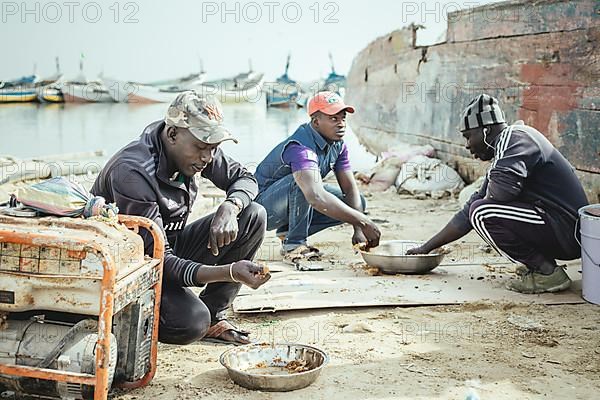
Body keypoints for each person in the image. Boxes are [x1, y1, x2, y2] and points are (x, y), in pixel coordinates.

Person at [92, 91, 270, 345]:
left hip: (167, 247)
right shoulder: (132, 172)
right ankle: (174, 319)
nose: (207, 157)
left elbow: (246, 179)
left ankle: (215, 314)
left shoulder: (197, 151)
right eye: (201, 147)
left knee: (253, 215)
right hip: (130, 268)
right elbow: (158, 260)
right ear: (173, 134)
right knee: (191, 321)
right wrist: (230, 271)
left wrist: (230, 206)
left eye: (213, 148)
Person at [408, 94, 588, 294]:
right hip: (561, 230)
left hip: (567, 231)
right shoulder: (505, 150)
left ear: (486, 130)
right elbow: (466, 214)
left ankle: (547, 273)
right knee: (477, 210)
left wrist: (482, 202)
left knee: (482, 213)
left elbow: (498, 197)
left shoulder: (514, 137)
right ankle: (541, 266)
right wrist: (426, 248)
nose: (467, 145)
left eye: (469, 136)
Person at [254, 91, 381, 264]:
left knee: (358, 202)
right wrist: (364, 221)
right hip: (262, 210)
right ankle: (294, 245)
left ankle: (287, 232)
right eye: (333, 119)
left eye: (343, 118)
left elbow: (350, 189)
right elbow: (315, 196)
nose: (341, 124)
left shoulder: (338, 146)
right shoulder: (300, 148)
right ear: (316, 122)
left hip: (291, 203)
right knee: (303, 183)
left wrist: (358, 228)